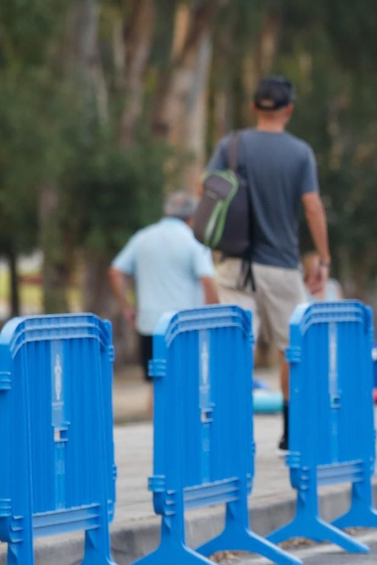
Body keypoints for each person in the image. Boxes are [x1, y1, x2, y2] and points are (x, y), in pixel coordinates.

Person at [207, 75, 332, 450]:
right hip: (280, 265)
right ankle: (291, 433)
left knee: (234, 346)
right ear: (288, 110)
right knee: (292, 348)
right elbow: (311, 206)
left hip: (233, 264)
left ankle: (230, 433)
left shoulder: (231, 144)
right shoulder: (299, 152)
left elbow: (208, 189)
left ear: (253, 108)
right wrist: (322, 259)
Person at [109, 191, 221, 415]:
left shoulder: (143, 237)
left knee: (156, 386)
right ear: (192, 217)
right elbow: (207, 280)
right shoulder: (193, 241)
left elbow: (116, 271)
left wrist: (126, 306)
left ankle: (157, 441)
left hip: (150, 324)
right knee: (189, 385)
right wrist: (214, 315)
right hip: (184, 326)